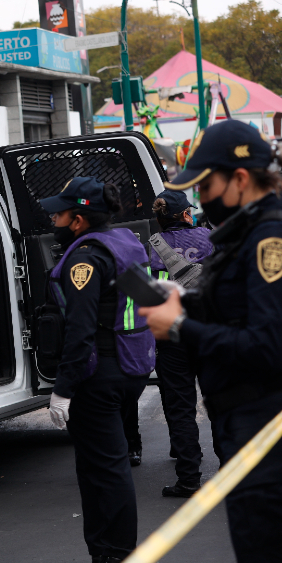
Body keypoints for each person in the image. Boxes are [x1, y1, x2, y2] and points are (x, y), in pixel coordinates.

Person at [139, 119, 282, 562]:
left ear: (240, 179)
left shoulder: (267, 239)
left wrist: (181, 327)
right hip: (245, 427)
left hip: (263, 430)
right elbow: (238, 309)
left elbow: (269, 346)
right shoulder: (245, 232)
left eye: (205, 188)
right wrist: (185, 302)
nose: (200, 200)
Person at [41, 177, 156, 563]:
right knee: (107, 466)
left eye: (60, 211)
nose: (53, 217)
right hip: (130, 368)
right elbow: (146, 301)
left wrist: (63, 389)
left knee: (103, 473)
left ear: (79, 219)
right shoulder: (125, 242)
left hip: (98, 377)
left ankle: (114, 554)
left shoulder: (85, 258)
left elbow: (80, 330)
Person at [148, 189, 213, 497]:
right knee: (221, 404)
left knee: (181, 408)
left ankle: (188, 478)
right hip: (210, 331)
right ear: (187, 214)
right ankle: (233, 473)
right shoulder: (209, 237)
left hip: (172, 335)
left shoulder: (152, 248)